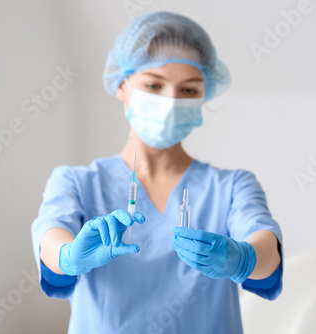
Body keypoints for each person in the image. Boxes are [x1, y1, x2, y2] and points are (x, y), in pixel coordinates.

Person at [31, 10, 283, 334]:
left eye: (189, 90)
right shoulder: (77, 183)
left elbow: (266, 251)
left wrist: (243, 258)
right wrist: (68, 257)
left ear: (204, 95)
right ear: (122, 86)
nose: (171, 102)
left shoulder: (232, 186)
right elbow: (51, 240)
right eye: (153, 84)